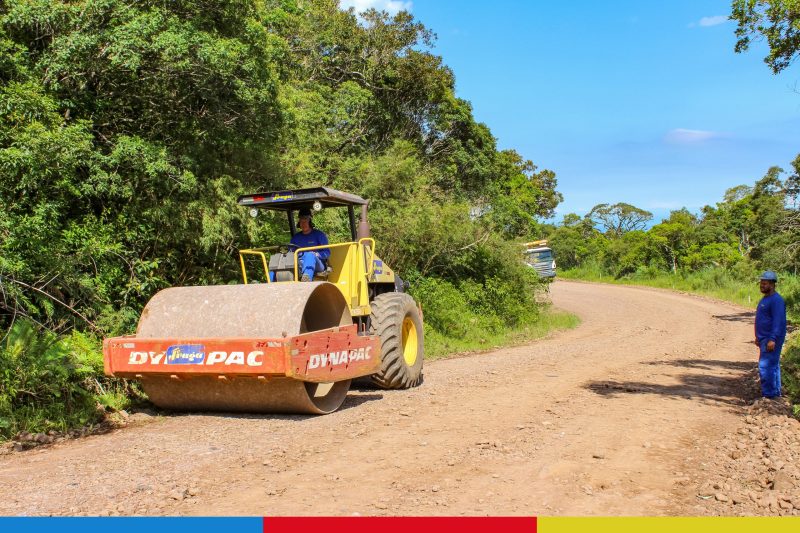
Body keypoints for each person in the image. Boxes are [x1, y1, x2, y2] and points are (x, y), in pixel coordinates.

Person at [754, 270, 786, 399]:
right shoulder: (766, 299)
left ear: (772, 284)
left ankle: (769, 395)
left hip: (771, 339)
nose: (762, 285)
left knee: (765, 366)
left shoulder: (776, 300)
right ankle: (775, 393)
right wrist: (758, 337)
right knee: (773, 366)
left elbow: (778, 321)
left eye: (765, 283)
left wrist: (772, 339)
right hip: (764, 338)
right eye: (761, 283)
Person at [290, 207, 330, 282]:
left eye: (305, 221)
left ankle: (306, 278)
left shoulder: (319, 235)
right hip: (299, 262)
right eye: (301, 222)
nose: (303, 224)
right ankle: (271, 282)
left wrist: (317, 254)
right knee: (279, 258)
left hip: (317, 263)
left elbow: (327, 253)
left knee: (309, 255)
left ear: (310, 222)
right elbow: (291, 251)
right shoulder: (295, 237)